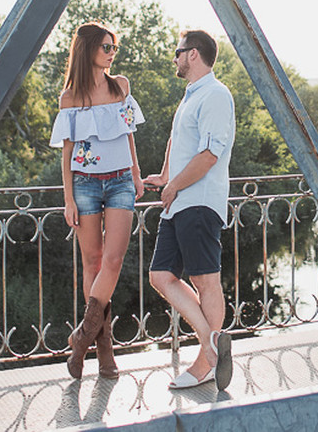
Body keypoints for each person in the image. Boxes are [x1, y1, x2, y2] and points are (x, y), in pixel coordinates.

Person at [49, 22, 145, 379]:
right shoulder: (70, 97)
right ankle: (104, 350)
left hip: (120, 179)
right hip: (85, 185)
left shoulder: (121, 86)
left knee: (113, 259)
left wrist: (135, 172)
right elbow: (67, 151)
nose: (111, 53)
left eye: (113, 47)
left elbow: (129, 132)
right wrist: (68, 198)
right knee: (92, 262)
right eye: (106, 47)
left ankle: (82, 336)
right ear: (87, 49)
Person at [143, 29, 236, 391]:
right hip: (179, 201)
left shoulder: (215, 94)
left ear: (193, 54)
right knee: (160, 275)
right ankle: (213, 347)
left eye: (178, 52)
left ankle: (204, 364)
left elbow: (210, 154)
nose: (175, 58)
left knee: (205, 280)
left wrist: (174, 184)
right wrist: (166, 175)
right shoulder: (192, 96)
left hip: (199, 201)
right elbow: (178, 141)